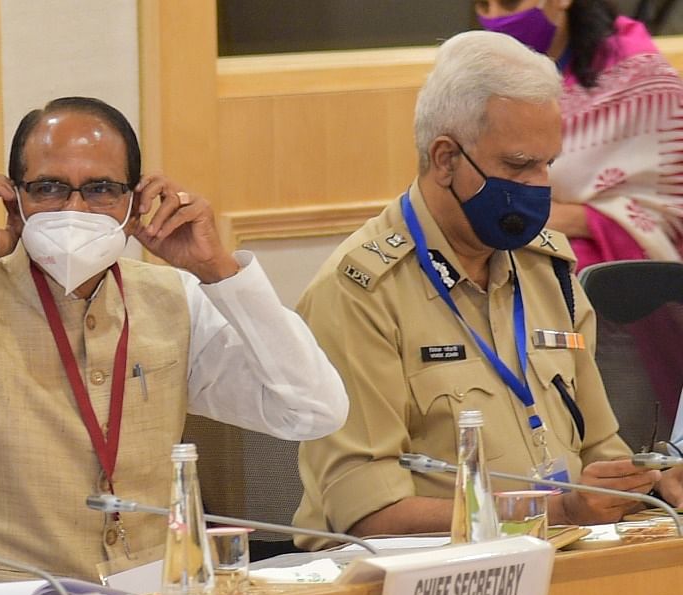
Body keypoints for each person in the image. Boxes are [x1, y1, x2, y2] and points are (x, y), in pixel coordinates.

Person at [0, 96, 348, 595]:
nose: (75, 209)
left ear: (134, 203)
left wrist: (219, 272)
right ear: (16, 199)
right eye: (49, 189)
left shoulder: (173, 299)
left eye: (102, 190)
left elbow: (314, 410)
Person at [292, 31, 683, 550]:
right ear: (445, 159)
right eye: (519, 165)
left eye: (548, 163)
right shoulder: (361, 293)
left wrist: (646, 485)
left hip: (559, 565)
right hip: (424, 586)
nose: (540, 185)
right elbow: (368, 515)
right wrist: (557, 508)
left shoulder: (549, 272)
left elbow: (597, 454)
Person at [477, 0, 683, 268]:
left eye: (509, 3)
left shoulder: (642, 79)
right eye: (483, 5)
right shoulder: (483, 78)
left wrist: (571, 219)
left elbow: (668, 211)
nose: (495, 18)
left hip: (612, 279)